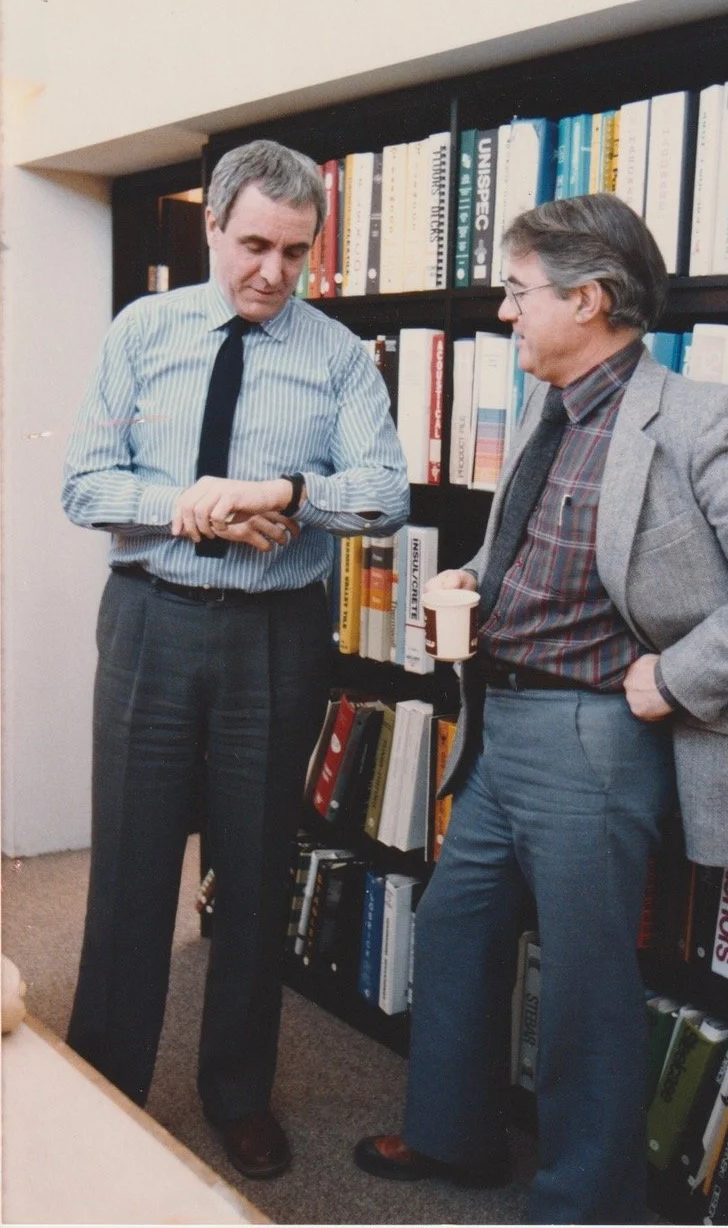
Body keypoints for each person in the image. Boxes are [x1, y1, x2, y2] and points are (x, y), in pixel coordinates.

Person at [354, 193, 728, 1223]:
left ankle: (583, 1205)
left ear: (587, 298)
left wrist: (679, 676)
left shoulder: (693, 418)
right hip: (501, 724)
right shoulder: (552, 408)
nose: (504, 312)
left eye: (518, 291)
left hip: (595, 739)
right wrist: (469, 580)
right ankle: (456, 1136)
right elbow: (532, 550)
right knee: (454, 925)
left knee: (585, 986)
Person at [62, 139, 409, 1179]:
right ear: (213, 226)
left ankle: (238, 1093)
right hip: (151, 621)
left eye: (295, 254)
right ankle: (103, 1081)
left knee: (256, 867)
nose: (271, 271)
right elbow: (84, 485)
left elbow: (385, 490)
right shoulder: (143, 333)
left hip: (274, 635)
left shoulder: (340, 355)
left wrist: (283, 495)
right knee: (128, 866)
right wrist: (186, 504)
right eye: (253, 243)